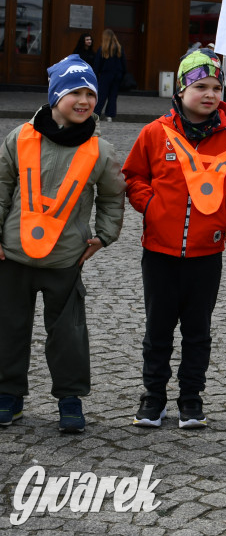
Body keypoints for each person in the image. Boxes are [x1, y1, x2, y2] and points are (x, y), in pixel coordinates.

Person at [122, 48, 226, 429]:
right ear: (181, 90)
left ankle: (191, 398)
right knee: (158, 330)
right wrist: (149, 206)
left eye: (216, 87)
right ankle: (153, 397)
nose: (210, 94)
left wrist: (224, 217)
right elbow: (133, 176)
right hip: (159, 253)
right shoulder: (154, 133)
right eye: (200, 86)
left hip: (205, 254)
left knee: (197, 331)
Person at [0, 55, 125, 432]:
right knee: (9, 328)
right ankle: (8, 395)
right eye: (75, 92)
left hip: (66, 259)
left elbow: (113, 196)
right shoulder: (19, 137)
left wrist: (103, 236)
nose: (85, 101)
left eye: (91, 93)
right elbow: (2, 187)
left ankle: (70, 399)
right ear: (56, 96)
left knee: (69, 334)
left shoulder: (100, 151)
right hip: (13, 255)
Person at [93, 29, 125, 122]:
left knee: (102, 95)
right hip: (117, 75)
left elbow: (97, 64)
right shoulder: (119, 48)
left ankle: (96, 113)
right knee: (113, 96)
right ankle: (109, 115)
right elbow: (124, 64)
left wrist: (96, 75)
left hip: (105, 74)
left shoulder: (102, 49)